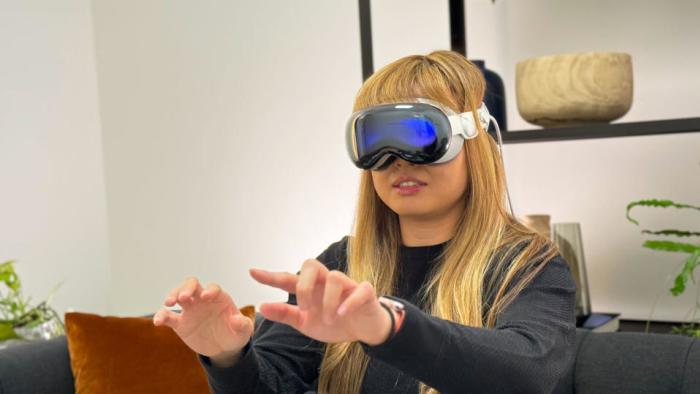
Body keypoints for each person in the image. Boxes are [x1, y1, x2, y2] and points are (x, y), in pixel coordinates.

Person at [153, 50, 577, 394]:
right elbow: (271, 385)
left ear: (472, 139)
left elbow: (528, 374)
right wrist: (228, 356)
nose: (395, 161)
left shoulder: (527, 265)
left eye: (418, 134)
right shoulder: (341, 264)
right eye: (375, 140)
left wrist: (390, 327)